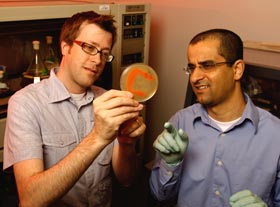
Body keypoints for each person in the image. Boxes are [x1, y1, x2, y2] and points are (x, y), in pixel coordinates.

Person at [3, 11, 146, 207]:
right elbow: (30, 200)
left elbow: (127, 179)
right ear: (65, 47)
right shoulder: (25, 103)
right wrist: (98, 137)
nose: (97, 61)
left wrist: (126, 144)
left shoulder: (106, 101)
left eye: (104, 53)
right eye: (89, 47)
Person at [150, 28, 280, 207]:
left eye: (207, 66)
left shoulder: (275, 135)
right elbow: (160, 196)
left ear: (237, 70)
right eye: (191, 67)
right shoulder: (181, 123)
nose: (195, 77)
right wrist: (171, 164)